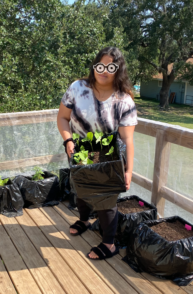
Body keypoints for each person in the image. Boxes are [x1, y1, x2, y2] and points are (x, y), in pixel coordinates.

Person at [57, 47, 137, 260]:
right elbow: (62, 118)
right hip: (80, 149)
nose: (104, 71)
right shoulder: (77, 88)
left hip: (109, 155)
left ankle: (109, 244)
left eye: (111, 67)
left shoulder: (125, 101)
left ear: (118, 70)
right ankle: (84, 220)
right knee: (81, 188)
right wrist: (68, 139)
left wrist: (128, 171)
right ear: (94, 66)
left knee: (106, 199)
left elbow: (128, 140)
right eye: (100, 66)